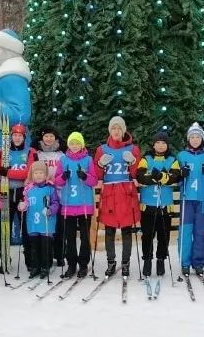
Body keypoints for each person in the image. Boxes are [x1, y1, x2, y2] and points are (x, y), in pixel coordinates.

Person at [93, 116, 142, 278]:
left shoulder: (133, 149)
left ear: (123, 131)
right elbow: (97, 175)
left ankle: (126, 263)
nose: (116, 131)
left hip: (126, 191)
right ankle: (111, 262)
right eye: (113, 128)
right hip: (110, 193)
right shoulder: (102, 150)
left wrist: (133, 162)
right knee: (109, 230)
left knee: (127, 230)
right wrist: (100, 164)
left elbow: (136, 175)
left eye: (119, 128)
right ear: (110, 130)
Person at [0, 123, 38, 271]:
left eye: (20, 136)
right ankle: (4, 259)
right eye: (14, 135)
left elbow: (30, 173)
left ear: (24, 137)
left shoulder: (31, 152)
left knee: (26, 228)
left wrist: (8, 173)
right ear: (10, 136)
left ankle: (30, 261)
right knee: (5, 228)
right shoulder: (1, 152)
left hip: (24, 193)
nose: (17, 138)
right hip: (6, 193)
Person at [136, 132, 181, 281]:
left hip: (164, 207)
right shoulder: (146, 159)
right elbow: (140, 176)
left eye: (163, 143)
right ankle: (147, 261)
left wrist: (161, 177)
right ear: (153, 144)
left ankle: (161, 260)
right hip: (147, 207)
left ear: (167, 145)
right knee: (147, 236)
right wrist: (153, 177)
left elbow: (175, 178)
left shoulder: (172, 160)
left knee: (164, 237)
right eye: (158, 142)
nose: (160, 145)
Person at [55, 132, 98, 279]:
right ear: (68, 145)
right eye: (72, 143)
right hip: (68, 205)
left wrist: (85, 176)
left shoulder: (88, 160)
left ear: (82, 145)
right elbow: (57, 181)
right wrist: (63, 177)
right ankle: (71, 264)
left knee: (85, 237)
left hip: (85, 205)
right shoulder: (63, 159)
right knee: (70, 237)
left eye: (77, 143)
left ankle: (83, 264)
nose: (74, 146)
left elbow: (94, 181)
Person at [177, 122, 204, 277]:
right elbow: (176, 177)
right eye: (192, 137)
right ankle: (185, 262)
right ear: (188, 139)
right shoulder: (182, 156)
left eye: (197, 137)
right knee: (186, 232)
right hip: (187, 199)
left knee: (200, 232)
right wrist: (181, 174)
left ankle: (198, 263)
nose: (194, 140)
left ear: (202, 138)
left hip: (202, 199)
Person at [18, 161, 60, 280]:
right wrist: (22, 206)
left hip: (46, 222)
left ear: (45, 174)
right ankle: (35, 266)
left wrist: (50, 209)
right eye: (35, 173)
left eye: (41, 173)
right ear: (32, 175)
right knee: (34, 246)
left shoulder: (50, 188)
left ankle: (45, 267)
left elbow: (55, 202)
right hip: (33, 223)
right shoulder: (28, 189)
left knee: (45, 246)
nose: (38, 175)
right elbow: (26, 202)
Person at [34, 125, 67, 267]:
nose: (48, 138)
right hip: (43, 192)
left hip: (59, 193)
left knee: (59, 227)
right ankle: (44, 255)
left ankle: (60, 255)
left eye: (51, 136)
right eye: (46, 136)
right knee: (44, 227)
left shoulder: (62, 154)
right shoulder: (37, 154)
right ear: (42, 138)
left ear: (56, 138)